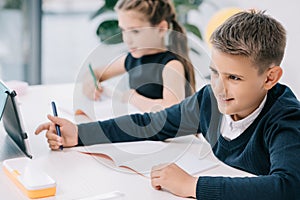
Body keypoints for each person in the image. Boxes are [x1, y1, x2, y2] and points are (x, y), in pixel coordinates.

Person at [35, 10, 300, 200]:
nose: (219, 87)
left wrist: (193, 186)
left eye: (234, 78)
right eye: (215, 72)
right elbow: (153, 123)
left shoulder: (286, 119)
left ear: (270, 77)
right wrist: (80, 134)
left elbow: (288, 187)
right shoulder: (209, 100)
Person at [83, 0, 195, 112]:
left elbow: (172, 110)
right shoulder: (131, 59)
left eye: (135, 31)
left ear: (161, 29)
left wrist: (132, 98)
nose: (127, 39)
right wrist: (90, 84)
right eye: (123, 30)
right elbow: (96, 73)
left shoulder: (171, 65)